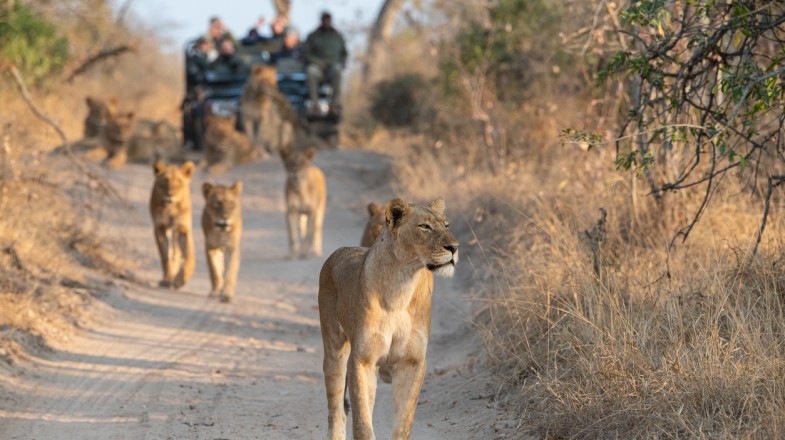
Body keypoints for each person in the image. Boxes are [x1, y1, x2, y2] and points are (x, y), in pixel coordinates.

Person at [303, 11, 348, 114]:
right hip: (318, 68)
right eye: (325, 20)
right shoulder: (313, 36)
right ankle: (315, 105)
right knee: (311, 71)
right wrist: (317, 62)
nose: (326, 22)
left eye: (328, 20)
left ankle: (334, 104)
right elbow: (306, 54)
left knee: (337, 70)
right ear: (321, 21)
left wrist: (342, 63)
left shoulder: (337, 36)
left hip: (332, 68)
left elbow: (344, 54)